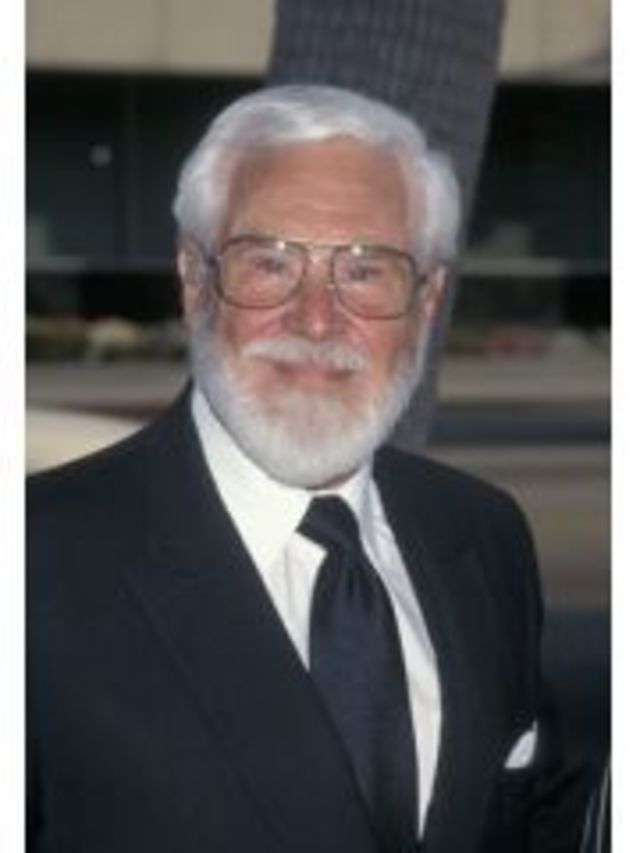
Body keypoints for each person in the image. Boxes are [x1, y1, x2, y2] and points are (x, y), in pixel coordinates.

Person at [27, 84, 583, 852]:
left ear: (427, 302)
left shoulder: (483, 536)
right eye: (271, 262)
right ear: (194, 281)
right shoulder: (37, 563)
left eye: (365, 270)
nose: (317, 318)